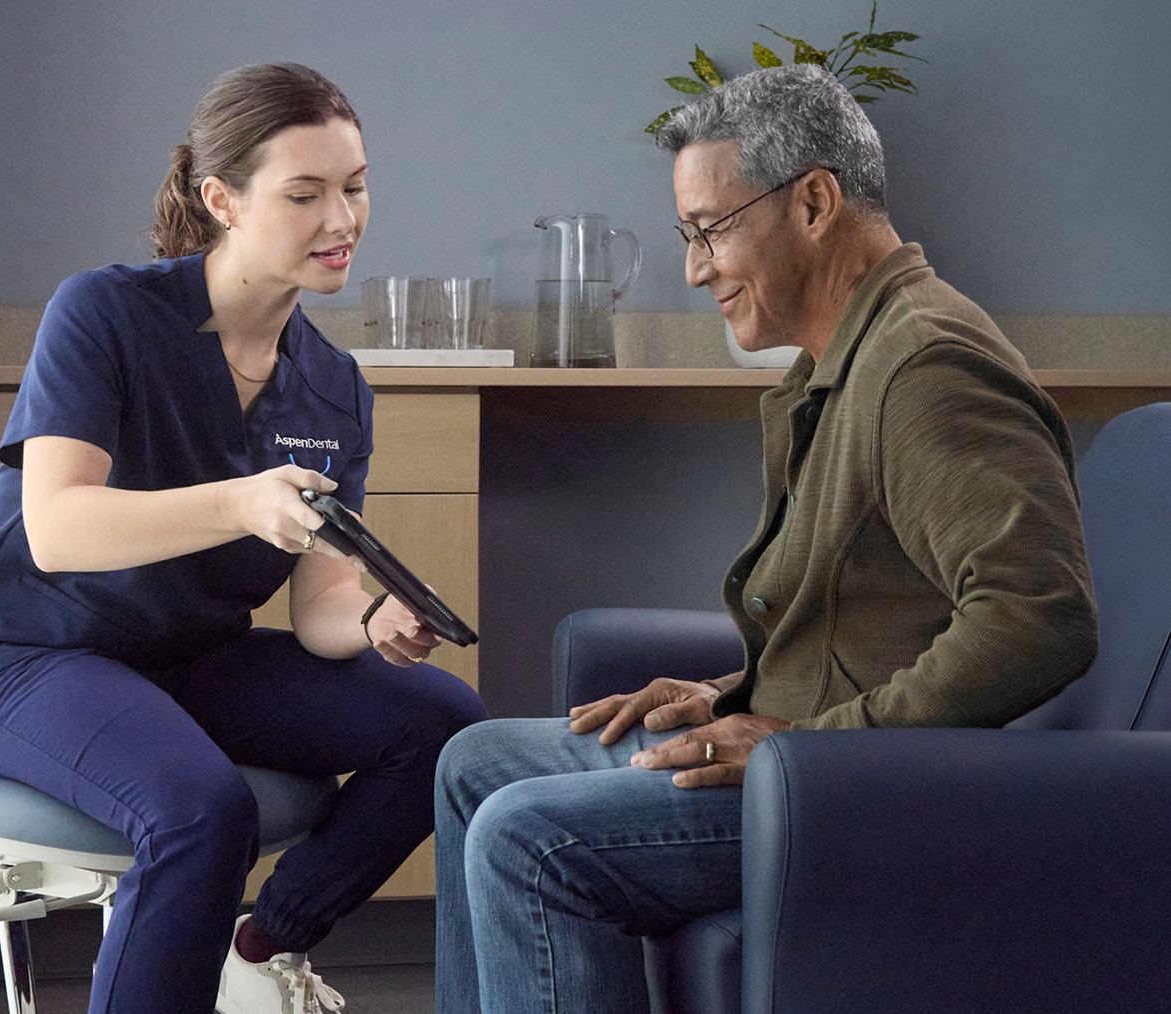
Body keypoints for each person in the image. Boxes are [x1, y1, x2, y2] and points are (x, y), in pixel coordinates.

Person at [433, 63, 1098, 1014]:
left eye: (710, 230)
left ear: (816, 202)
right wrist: (725, 695)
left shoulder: (926, 368)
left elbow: (1041, 617)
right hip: (814, 763)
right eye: (688, 236)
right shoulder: (846, 359)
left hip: (862, 796)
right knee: (475, 764)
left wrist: (804, 748)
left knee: (524, 835)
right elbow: (871, 618)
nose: (697, 267)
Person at [0, 62, 487, 1014]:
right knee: (201, 813)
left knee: (445, 724)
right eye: (305, 194)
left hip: (185, 661)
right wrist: (240, 501)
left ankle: (261, 947)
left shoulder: (334, 386)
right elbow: (56, 529)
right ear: (222, 199)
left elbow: (318, 608)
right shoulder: (105, 313)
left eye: (355, 186)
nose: (342, 220)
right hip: (19, 658)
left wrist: (377, 610)